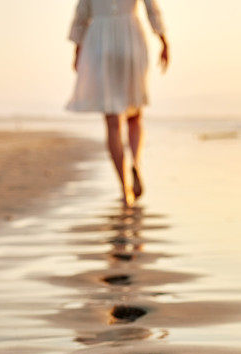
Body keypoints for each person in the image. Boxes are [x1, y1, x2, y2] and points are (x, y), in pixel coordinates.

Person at [67, 0, 169, 206]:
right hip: (130, 39)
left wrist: (78, 49)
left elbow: (82, 15)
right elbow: (152, 9)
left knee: (113, 121)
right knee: (135, 115)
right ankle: (135, 162)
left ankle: (125, 189)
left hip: (100, 44)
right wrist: (163, 39)